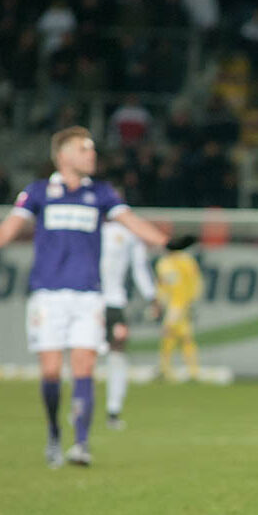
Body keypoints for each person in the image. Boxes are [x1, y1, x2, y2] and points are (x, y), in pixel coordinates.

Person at [0, 126, 168, 466]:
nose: (91, 155)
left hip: (89, 295)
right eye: (83, 149)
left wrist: (167, 243)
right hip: (47, 295)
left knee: (85, 367)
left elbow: (132, 221)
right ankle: (53, 433)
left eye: (91, 149)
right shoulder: (38, 192)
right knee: (50, 373)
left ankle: (80, 443)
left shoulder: (102, 194)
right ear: (62, 156)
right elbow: (8, 229)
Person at [100, 219, 158, 430]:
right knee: (83, 357)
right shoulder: (88, 226)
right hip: (88, 302)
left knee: (117, 354)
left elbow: (140, 268)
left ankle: (113, 411)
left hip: (115, 302)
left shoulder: (130, 233)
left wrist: (152, 297)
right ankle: (79, 407)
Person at [156, 239, 202, 381]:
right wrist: (159, 302)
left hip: (181, 304)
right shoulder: (164, 264)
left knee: (180, 336)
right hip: (172, 305)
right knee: (175, 336)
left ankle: (190, 371)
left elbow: (195, 282)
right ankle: (168, 369)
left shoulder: (186, 262)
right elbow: (162, 285)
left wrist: (192, 301)